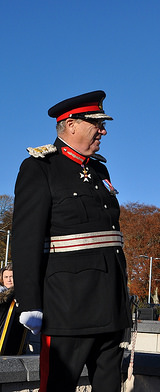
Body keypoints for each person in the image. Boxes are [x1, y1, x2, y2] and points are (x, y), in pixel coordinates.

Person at [12, 91, 132, 391]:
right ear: (72, 124)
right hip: (67, 309)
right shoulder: (40, 167)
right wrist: (31, 303)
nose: (103, 131)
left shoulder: (99, 169)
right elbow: (27, 241)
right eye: (97, 124)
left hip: (110, 307)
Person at [0, 264, 28, 355]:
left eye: (11, 276)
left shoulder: (20, 295)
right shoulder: (3, 294)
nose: (8, 280)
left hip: (12, 342)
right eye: (6, 277)